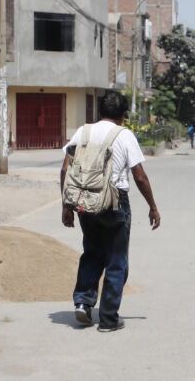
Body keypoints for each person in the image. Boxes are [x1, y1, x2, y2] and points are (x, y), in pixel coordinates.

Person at [61, 91, 161, 332]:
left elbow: (66, 171)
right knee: (116, 261)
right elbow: (140, 176)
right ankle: (107, 319)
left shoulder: (83, 132)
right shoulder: (124, 135)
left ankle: (83, 304)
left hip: (85, 202)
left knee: (92, 253)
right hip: (115, 203)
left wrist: (67, 206)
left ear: (99, 112)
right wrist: (153, 206)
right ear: (123, 115)